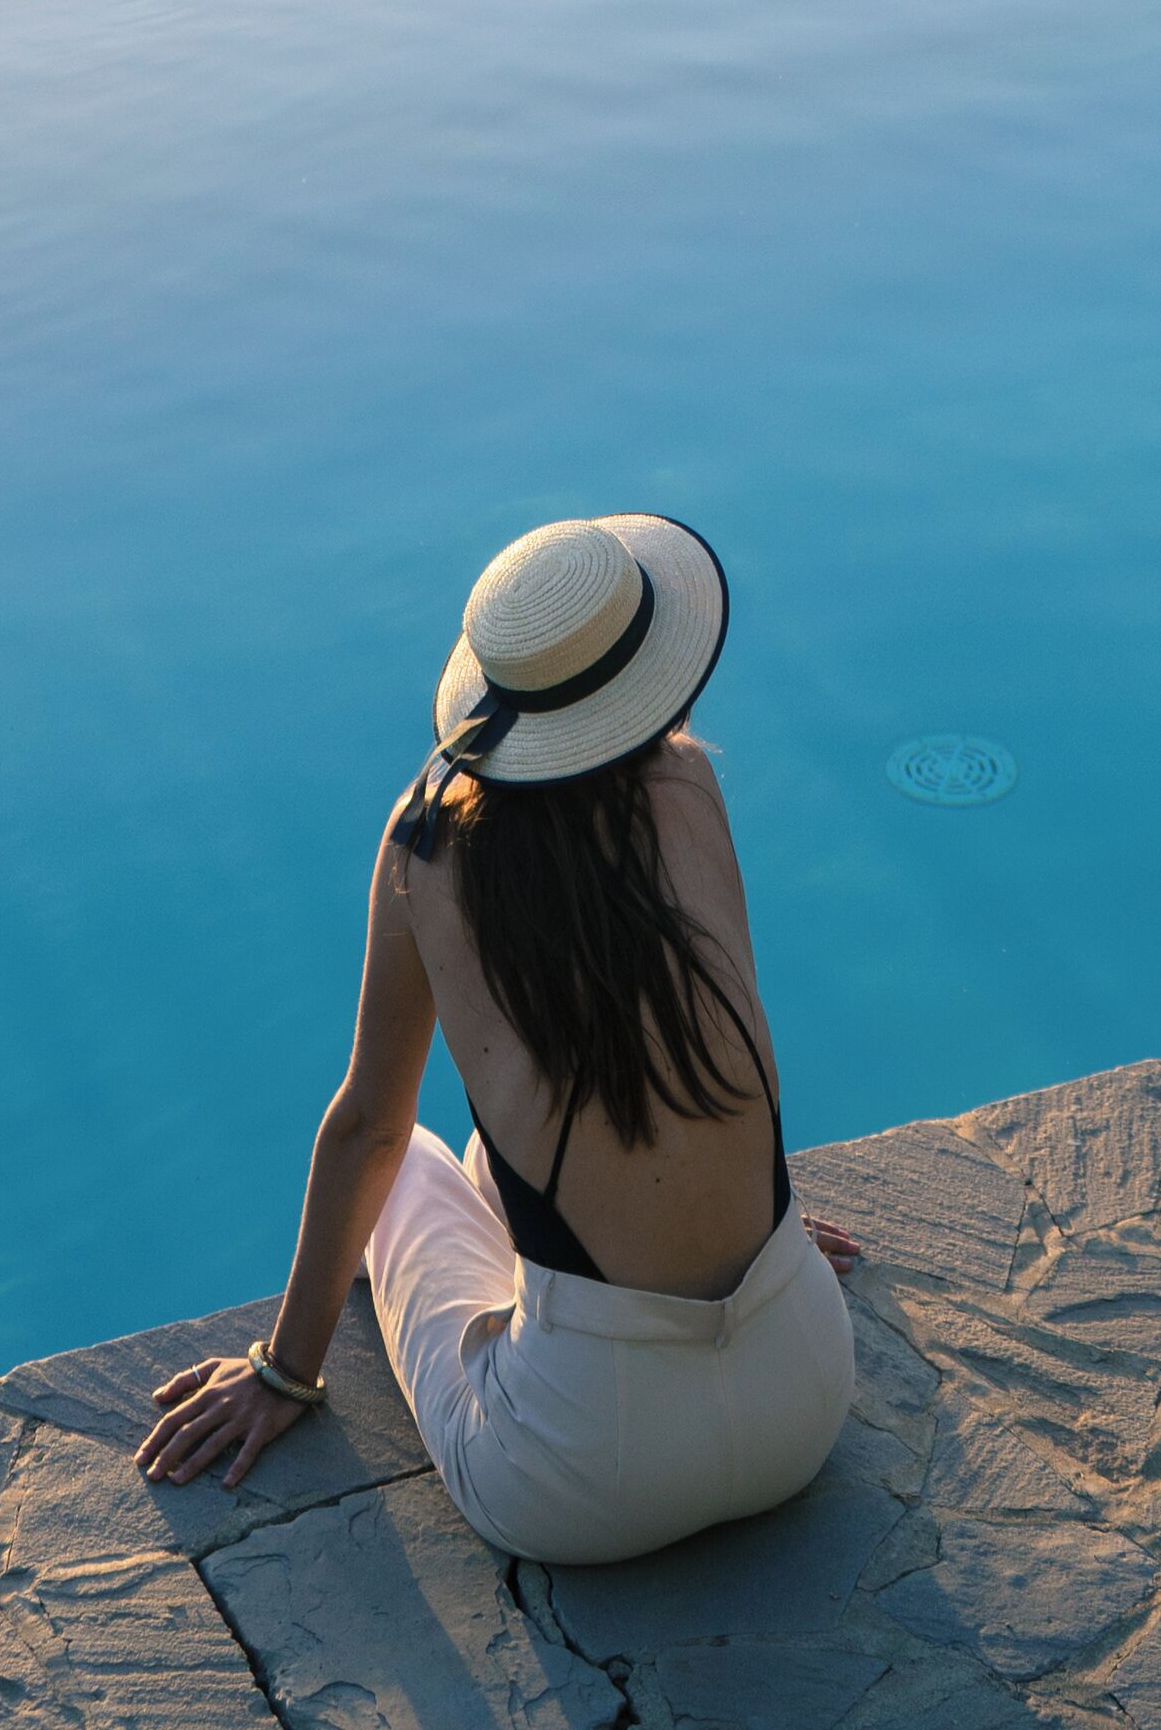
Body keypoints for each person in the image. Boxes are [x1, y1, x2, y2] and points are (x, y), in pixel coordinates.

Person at [134, 514, 864, 1564]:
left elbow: (368, 1134)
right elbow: (704, 1017)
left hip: (586, 1483)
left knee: (424, 1157)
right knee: (507, 1150)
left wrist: (285, 1369)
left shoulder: (428, 846)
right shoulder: (692, 784)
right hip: (804, 1393)